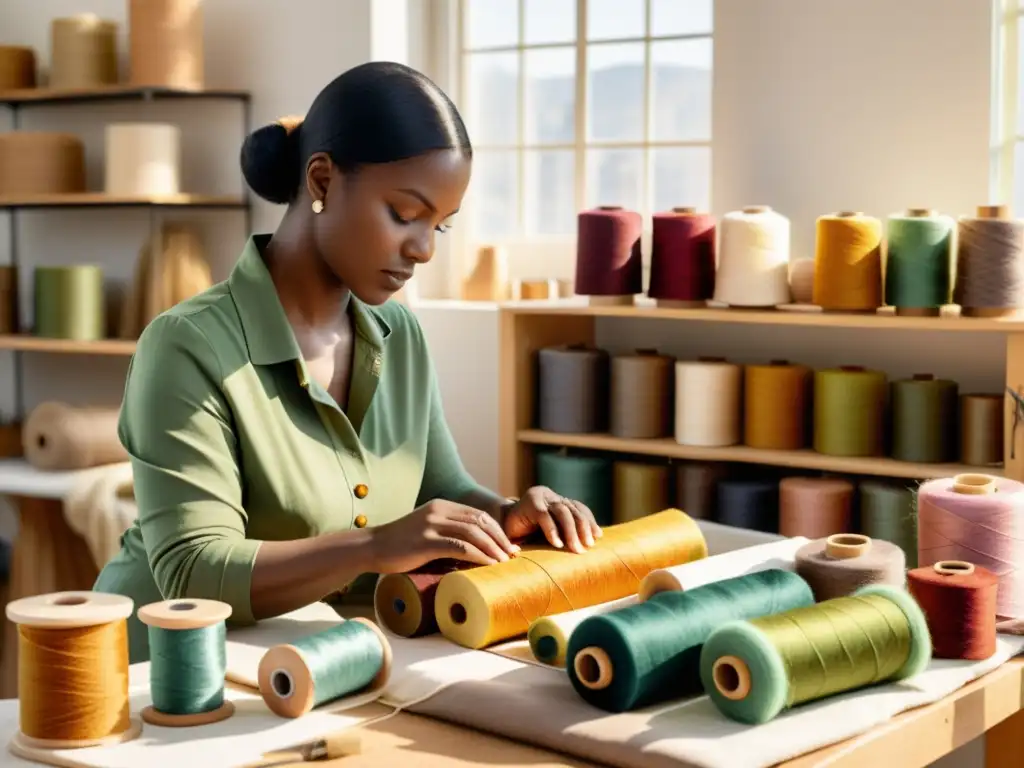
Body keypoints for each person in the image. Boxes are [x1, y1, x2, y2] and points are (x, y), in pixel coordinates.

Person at [93, 61, 601, 663]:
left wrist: (508, 514)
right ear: (323, 180)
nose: (424, 248)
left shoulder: (399, 332)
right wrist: (372, 547)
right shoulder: (185, 348)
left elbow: (438, 488)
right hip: (158, 676)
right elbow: (192, 572)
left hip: (312, 666)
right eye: (405, 214)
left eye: (440, 224)